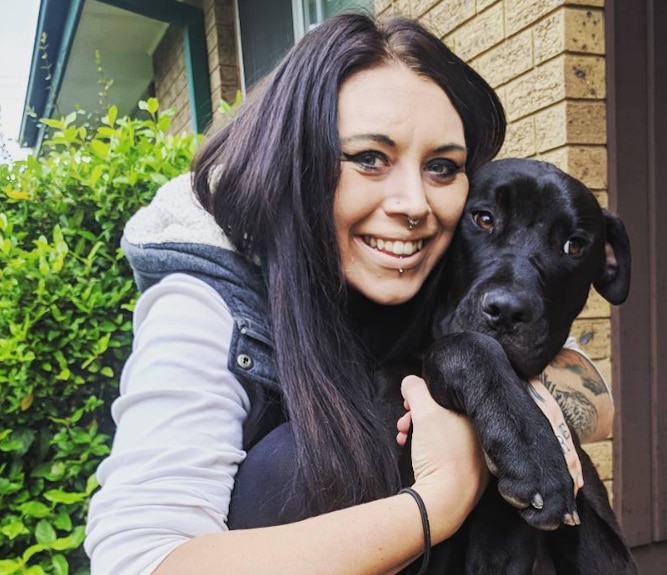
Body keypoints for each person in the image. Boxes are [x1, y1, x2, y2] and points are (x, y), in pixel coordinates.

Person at [84, 12, 615, 575]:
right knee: (291, 461)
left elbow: (594, 407)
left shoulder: (429, 255)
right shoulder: (210, 298)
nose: (412, 203)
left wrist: (507, 393)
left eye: (441, 166)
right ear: (295, 161)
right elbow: (139, 561)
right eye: (369, 159)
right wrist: (443, 496)